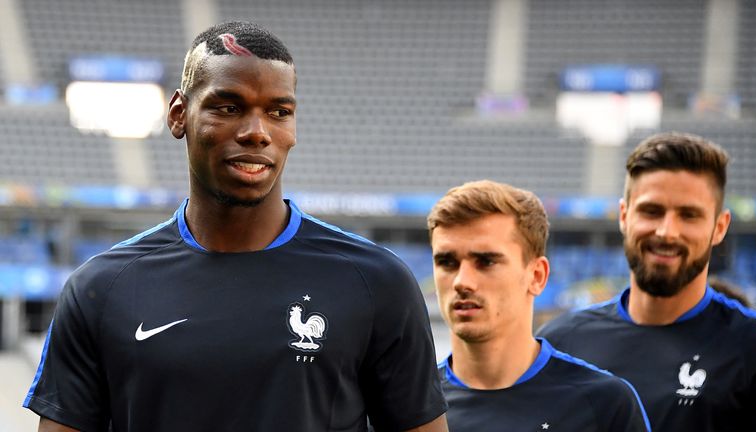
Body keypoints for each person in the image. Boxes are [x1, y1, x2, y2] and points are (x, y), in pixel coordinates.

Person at [23, 21, 448, 432]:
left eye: (279, 111)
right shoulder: (102, 288)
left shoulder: (376, 281)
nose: (257, 132)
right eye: (229, 107)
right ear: (178, 115)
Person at [538, 132, 756, 431]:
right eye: (651, 211)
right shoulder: (560, 343)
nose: (666, 232)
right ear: (624, 216)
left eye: (688, 215)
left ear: (719, 227)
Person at [428, 180, 650, 431]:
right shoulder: (405, 409)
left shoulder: (605, 405)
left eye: (486, 261)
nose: (462, 281)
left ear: (537, 276)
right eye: (447, 262)